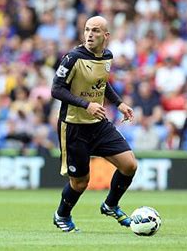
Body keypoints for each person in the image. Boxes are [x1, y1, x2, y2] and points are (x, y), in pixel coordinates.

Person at [51, 16, 137, 232]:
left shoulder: (107, 56)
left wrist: (118, 103)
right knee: (80, 182)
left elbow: (102, 83)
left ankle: (110, 205)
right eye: (87, 29)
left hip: (98, 124)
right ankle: (62, 215)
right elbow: (56, 89)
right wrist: (86, 104)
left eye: (96, 30)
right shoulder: (72, 58)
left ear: (106, 36)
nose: (90, 34)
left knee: (129, 165)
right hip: (74, 126)